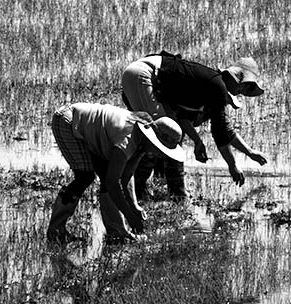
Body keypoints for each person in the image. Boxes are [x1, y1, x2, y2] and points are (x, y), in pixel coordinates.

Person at [120, 51, 267, 202]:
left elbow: (223, 129)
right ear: (236, 79)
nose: (243, 91)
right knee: (158, 137)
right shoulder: (217, 88)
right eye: (246, 86)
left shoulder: (208, 86)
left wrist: (250, 152)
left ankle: (159, 189)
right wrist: (232, 165)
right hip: (143, 76)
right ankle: (154, 192)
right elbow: (220, 133)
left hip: (142, 77)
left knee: (167, 135)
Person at [46, 103, 186, 246]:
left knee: (106, 173)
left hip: (86, 127)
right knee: (85, 176)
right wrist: (129, 216)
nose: (161, 155)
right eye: (161, 150)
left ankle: (116, 233)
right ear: (154, 140)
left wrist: (134, 206)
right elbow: (112, 182)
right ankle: (56, 231)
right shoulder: (127, 139)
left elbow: (126, 176)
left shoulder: (141, 144)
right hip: (68, 121)